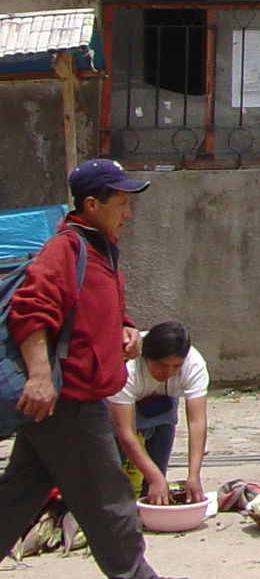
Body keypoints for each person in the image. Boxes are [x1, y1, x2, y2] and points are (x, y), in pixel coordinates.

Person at [0, 159, 176, 579]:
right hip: (69, 401)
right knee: (109, 499)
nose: (128, 213)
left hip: (68, 401)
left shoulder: (101, 249)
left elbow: (95, 312)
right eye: (121, 203)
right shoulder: (66, 249)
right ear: (92, 204)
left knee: (19, 496)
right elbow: (31, 310)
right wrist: (40, 377)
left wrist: (126, 329)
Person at [110, 323, 209, 507]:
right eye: (162, 365)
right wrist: (154, 477)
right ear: (146, 357)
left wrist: (193, 475)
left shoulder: (193, 363)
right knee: (114, 477)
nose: (169, 372)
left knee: (156, 479)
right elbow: (126, 432)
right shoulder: (125, 365)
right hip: (117, 408)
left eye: (176, 366)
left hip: (161, 409)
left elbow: (197, 422)